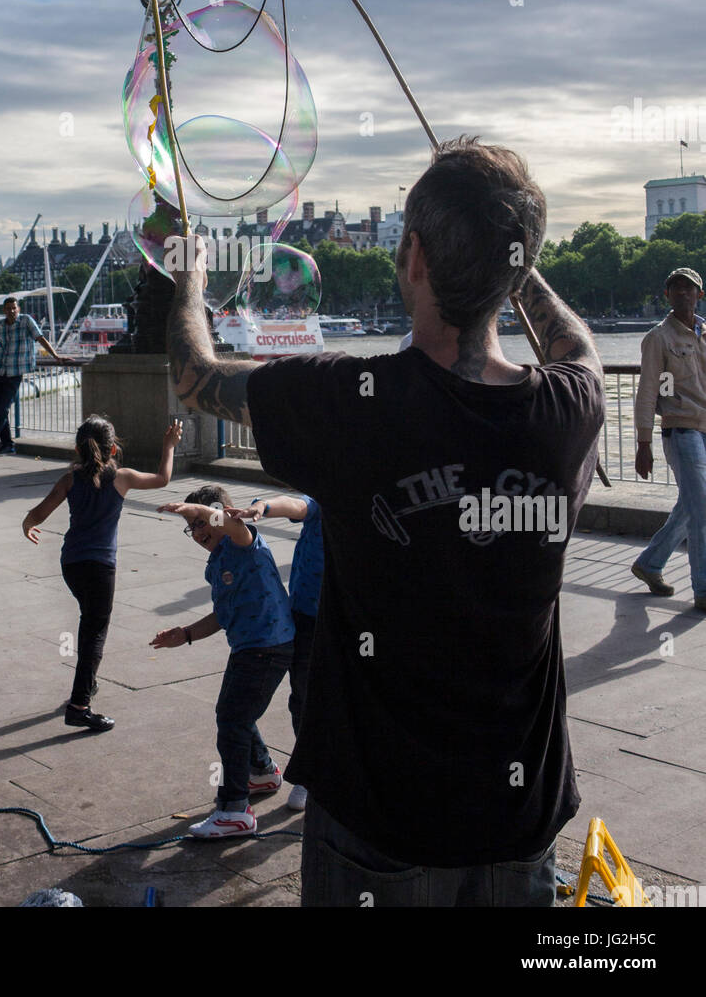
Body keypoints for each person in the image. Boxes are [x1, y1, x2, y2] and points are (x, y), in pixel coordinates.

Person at [166, 137, 605, 906]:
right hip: (519, 811)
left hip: (378, 816)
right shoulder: (569, 407)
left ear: (409, 257)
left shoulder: (350, 401)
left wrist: (192, 278)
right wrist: (510, 257)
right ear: (515, 265)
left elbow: (194, 379)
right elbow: (577, 343)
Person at [151, 485, 294, 840]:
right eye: (193, 529)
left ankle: (234, 811)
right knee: (232, 714)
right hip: (248, 647)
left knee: (233, 719)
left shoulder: (243, 542)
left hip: (268, 647)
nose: (198, 534)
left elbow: (232, 525)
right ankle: (261, 771)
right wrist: (184, 634)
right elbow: (221, 614)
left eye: (201, 524)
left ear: (219, 514)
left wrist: (192, 510)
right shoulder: (218, 561)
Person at [23, 415, 183, 731]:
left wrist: (28, 526)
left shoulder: (70, 480)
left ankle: (87, 684)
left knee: (90, 622)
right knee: (95, 630)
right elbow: (163, 479)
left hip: (71, 564)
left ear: (78, 449)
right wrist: (168, 445)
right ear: (112, 451)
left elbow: (38, 514)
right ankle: (80, 705)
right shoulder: (121, 478)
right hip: (100, 567)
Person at [228, 492, 323, 813]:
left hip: (353, 617)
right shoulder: (325, 498)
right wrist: (262, 508)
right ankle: (310, 776)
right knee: (303, 698)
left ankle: (339, 771)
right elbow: (298, 505)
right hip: (308, 617)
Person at [632, 266, 706, 609]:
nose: (683, 294)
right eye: (676, 289)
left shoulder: (704, 333)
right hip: (681, 430)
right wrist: (643, 443)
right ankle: (703, 590)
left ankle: (650, 564)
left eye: (688, 289)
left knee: (691, 507)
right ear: (667, 296)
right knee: (702, 508)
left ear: (699, 295)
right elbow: (648, 391)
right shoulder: (658, 339)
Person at [0, 297, 65, 456]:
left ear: (18, 309)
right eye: (8, 308)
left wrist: (56, 356)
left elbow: (40, 338)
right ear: (4, 311)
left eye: (14, 308)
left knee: (3, 408)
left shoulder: (26, 321)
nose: (11, 311)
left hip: (15, 372)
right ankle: (8, 445)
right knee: (0, 411)